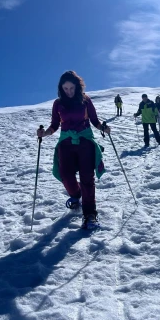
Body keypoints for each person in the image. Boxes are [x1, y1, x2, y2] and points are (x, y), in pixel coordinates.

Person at [36, 70, 110, 230]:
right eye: (65, 88)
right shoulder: (58, 103)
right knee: (66, 175)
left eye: (71, 88)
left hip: (85, 141)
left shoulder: (85, 100)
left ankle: (90, 215)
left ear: (78, 86)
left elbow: (95, 120)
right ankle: (76, 196)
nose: (69, 91)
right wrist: (45, 133)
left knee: (87, 178)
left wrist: (103, 128)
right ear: (61, 88)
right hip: (66, 142)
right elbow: (55, 125)